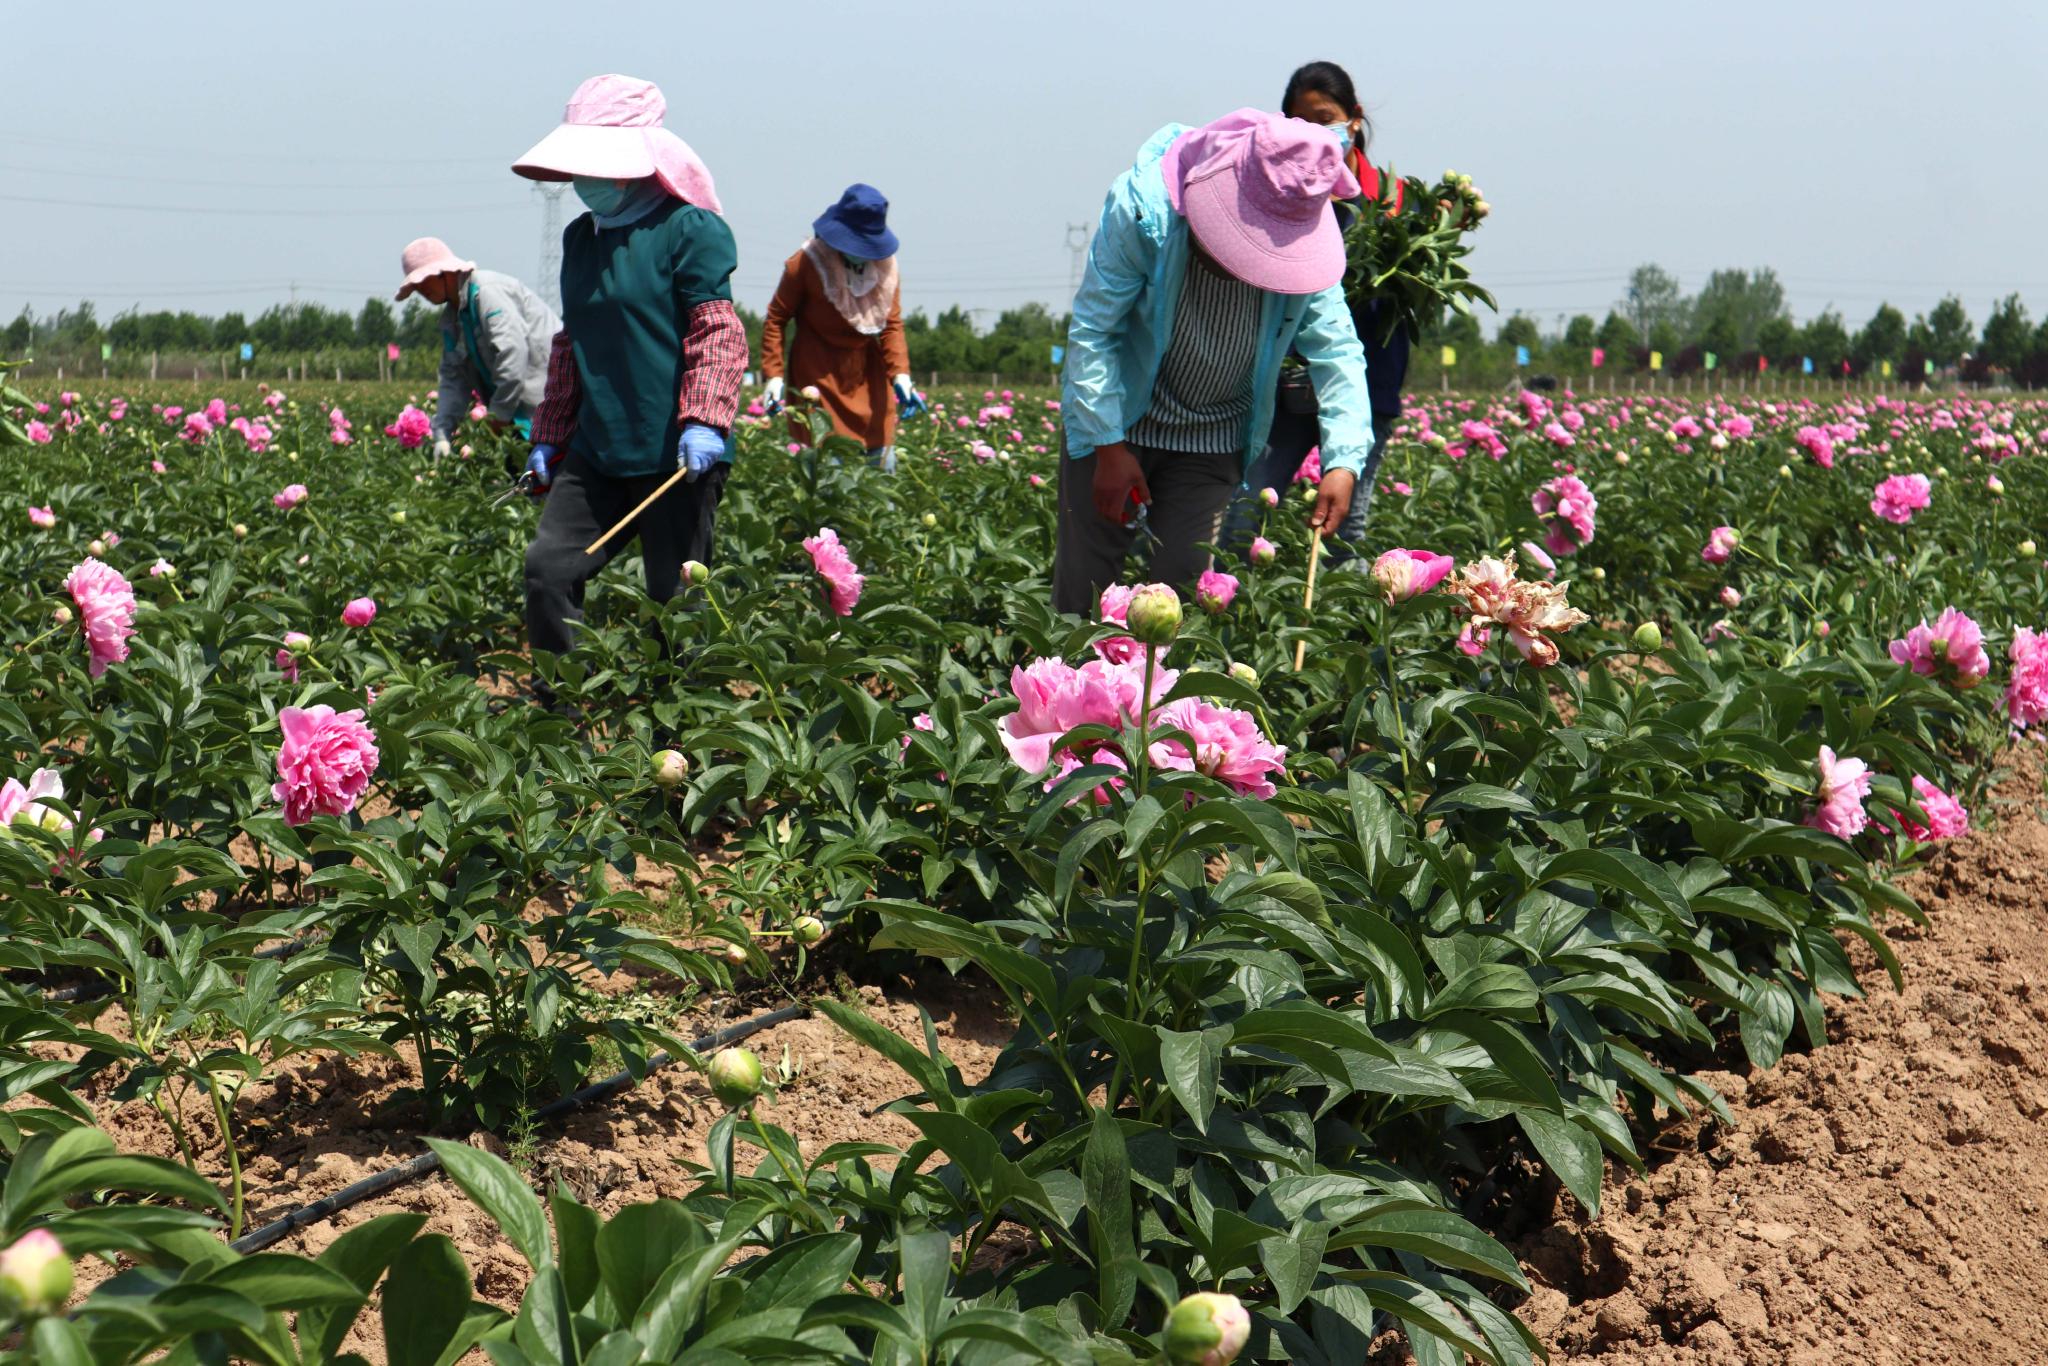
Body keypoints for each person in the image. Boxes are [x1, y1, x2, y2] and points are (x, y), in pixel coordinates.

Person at [1053, 109, 1373, 616]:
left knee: (1176, 609)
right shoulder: (1144, 211)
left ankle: (1154, 697)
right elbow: (1096, 331)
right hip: (1117, 418)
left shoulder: (1301, 238)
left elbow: (1336, 351)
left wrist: (1343, 461)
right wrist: (1108, 447)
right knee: (1084, 599)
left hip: (1212, 438)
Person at [511, 74, 746, 660]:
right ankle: (556, 709)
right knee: (548, 569)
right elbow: (572, 343)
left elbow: (716, 328)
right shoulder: (581, 239)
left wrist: (705, 420)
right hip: (597, 450)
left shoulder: (689, 230)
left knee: (677, 606)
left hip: (674, 453)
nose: (584, 180)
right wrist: (549, 437)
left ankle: (682, 735)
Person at [1225, 61, 1409, 559]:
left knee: (1346, 529)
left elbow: (1412, 308)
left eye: (1323, 118)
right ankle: (1233, 617)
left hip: (1366, 384)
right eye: (1299, 122)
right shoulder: (1284, 198)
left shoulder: (1397, 204)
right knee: (1245, 517)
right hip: (1285, 387)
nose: (1313, 134)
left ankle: (1347, 632)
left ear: (1354, 118)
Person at [759, 185, 920, 473]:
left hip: (868, 376)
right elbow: (776, 318)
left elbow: (891, 325)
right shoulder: (807, 264)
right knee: (828, 476)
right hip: (818, 377)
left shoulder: (884, 269)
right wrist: (773, 375)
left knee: (881, 468)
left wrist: (902, 375)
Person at [394, 238, 560, 459]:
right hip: (517, 419)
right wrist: (442, 433)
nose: (420, 291)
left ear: (445, 273)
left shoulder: (488, 294)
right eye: (415, 286)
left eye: (423, 281)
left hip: (551, 407)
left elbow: (512, 358)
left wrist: (498, 417)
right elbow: (453, 378)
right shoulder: (453, 320)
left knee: (552, 484)